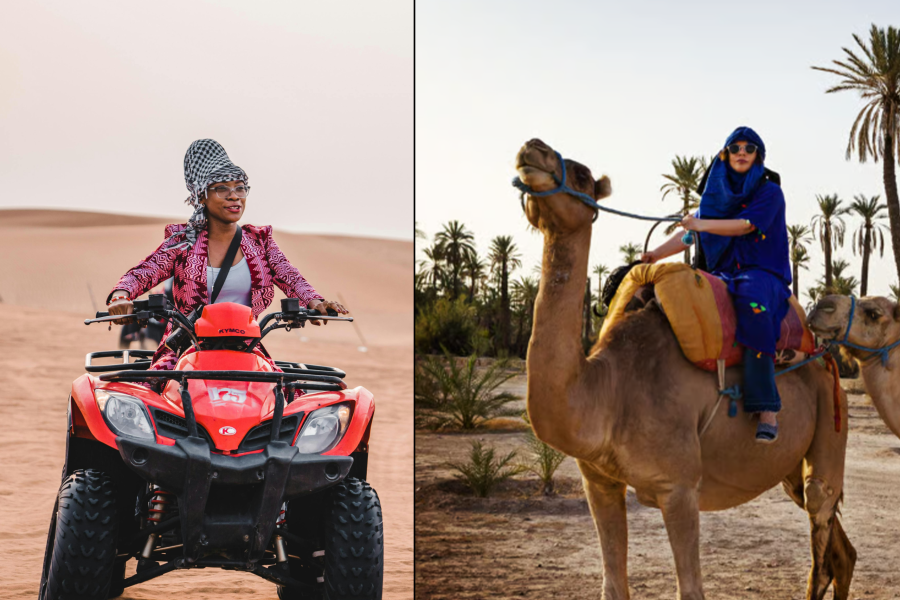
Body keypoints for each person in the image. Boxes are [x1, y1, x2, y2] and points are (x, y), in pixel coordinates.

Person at [107, 138, 347, 374]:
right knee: (153, 390)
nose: (234, 196)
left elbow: (291, 277)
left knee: (280, 392)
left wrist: (315, 301)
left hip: (246, 348)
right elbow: (143, 273)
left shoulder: (260, 242)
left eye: (240, 187)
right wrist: (121, 296)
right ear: (202, 195)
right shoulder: (182, 242)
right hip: (187, 348)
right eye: (222, 188)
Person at [641, 126, 790, 443]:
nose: (741, 153)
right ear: (724, 155)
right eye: (735, 148)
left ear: (758, 156)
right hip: (723, 274)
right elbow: (689, 235)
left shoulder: (769, 193)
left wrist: (700, 223)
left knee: (752, 303)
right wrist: (655, 255)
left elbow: (745, 225)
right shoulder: (716, 201)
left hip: (761, 274)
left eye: (749, 148)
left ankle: (766, 407)